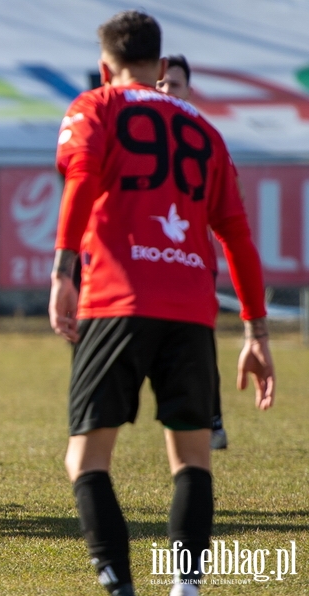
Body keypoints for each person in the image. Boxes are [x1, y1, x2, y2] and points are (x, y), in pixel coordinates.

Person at [49, 11, 274, 596]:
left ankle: (121, 588)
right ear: (159, 62)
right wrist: (257, 333)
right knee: (192, 459)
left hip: (117, 303)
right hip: (192, 310)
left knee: (87, 462)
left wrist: (62, 271)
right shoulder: (207, 131)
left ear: (106, 66)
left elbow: (79, 181)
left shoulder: (94, 106)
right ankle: (187, 588)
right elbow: (239, 239)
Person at [157, 55, 228, 451]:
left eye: (175, 85)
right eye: (162, 84)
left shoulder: (203, 138)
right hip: (141, 264)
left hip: (189, 264)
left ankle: (210, 417)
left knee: (198, 344)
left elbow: (232, 201)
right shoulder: (136, 134)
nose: (167, 91)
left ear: (190, 91)